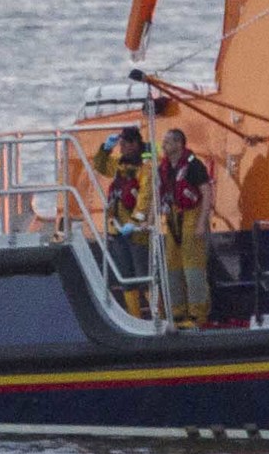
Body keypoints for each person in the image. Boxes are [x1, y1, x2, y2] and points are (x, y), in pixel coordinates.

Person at [90, 125, 153, 311]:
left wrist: (134, 223)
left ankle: (159, 314)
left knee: (144, 277)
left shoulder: (145, 169)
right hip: (116, 228)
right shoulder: (119, 165)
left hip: (136, 231)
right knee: (126, 278)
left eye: (125, 143)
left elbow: (145, 198)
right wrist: (106, 148)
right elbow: (100, 165)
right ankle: (135, 316)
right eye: (121, 143)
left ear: (135, 144)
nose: (122, 146)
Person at [154, 129, 212, 329]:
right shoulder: (164, 168)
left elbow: (206, 192)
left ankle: (197, 314)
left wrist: (201, 222)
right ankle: (177, 312)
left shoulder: (193, 165)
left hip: (191, 215)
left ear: (179, 144)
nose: (163, 145)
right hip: (172, 218)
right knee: (172, 267)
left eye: (168, 141)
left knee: (193, 268)